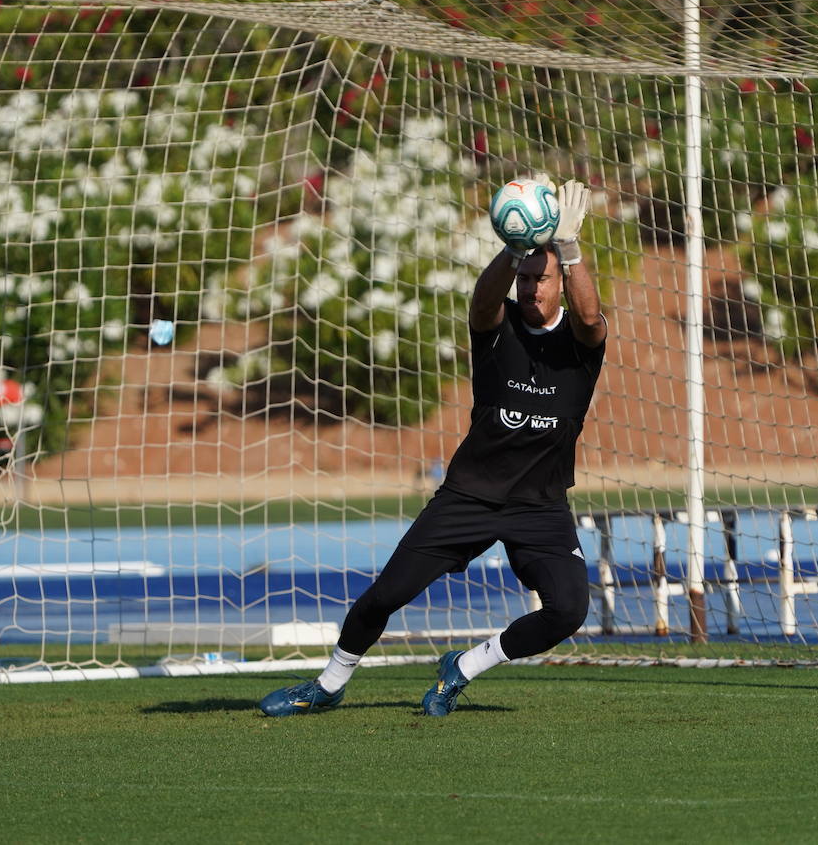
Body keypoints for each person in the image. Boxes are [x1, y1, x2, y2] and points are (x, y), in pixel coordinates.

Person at [259, 179, 607, 717]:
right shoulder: (499, 326)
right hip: (468, 495)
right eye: (526, 280)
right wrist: (514, 250)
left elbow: (589, 319)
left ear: (560, 282)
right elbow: (481, 302)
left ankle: (464, 667)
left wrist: (571, 248)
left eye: (543, 280)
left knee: (568, 610)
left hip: (540, 506)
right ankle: (327, 685)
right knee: (385, 595)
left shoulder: (581, 345)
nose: (533, 289)